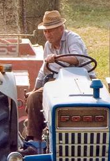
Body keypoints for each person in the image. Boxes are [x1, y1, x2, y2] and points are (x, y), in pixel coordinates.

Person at [25, 10, 93, 142]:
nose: (47, 34)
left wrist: (57, 58)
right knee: (34, 98)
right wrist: (34, 89)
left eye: (50, 30)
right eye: (45, 31)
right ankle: (36, 141)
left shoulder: (73, 39)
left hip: (82, 83)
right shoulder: (47, 46)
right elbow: (43, 71)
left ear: (61, 29)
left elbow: (78, 58)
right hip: (58, 84)